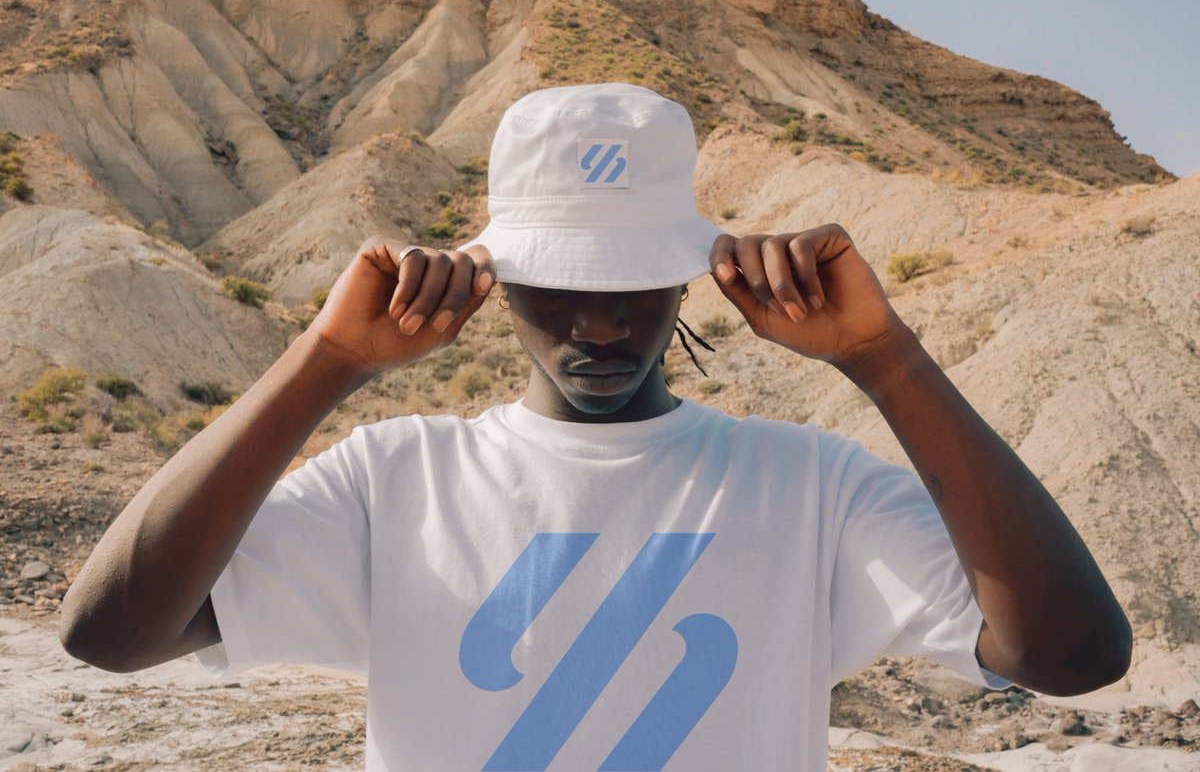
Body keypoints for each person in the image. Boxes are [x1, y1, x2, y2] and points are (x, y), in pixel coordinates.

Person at [60, 83, 1130, 771]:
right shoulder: (396, 478)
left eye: (631, 279)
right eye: (561, 283)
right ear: (494, 275)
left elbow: (1072, 654)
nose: (604, 320)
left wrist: (884, 361)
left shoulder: (811, 488)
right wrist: (323, 364)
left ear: (691, 270)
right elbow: (113, 632)